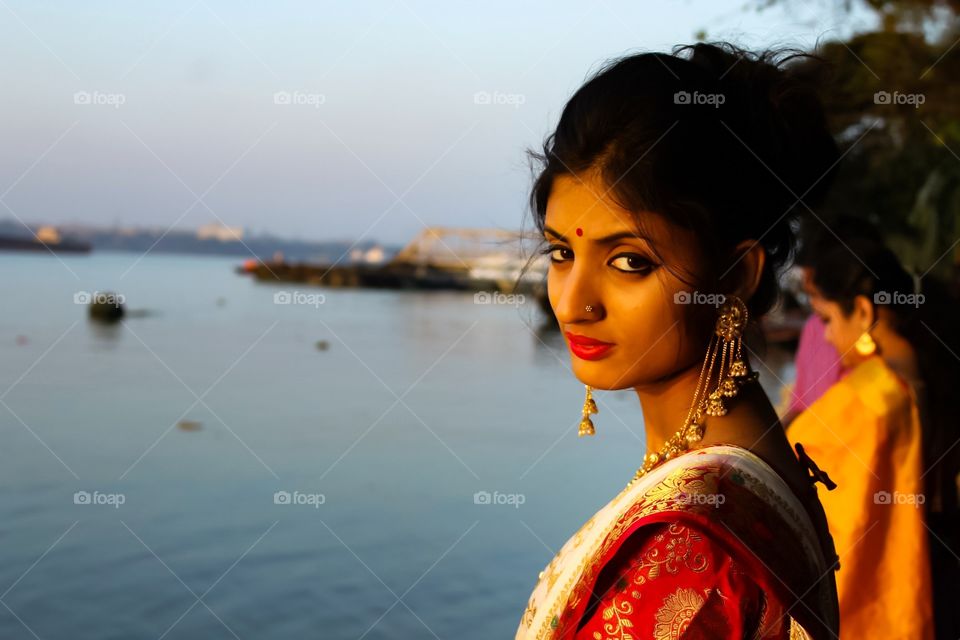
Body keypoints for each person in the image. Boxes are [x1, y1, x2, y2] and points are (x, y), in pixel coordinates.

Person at [515, 42, 843, 639]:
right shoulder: (746, 480)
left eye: (629, 262)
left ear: (737, 275)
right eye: (562, 252)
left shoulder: (692, 546)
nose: (572, 303)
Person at [787, 239, 960, 640]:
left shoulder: (869, 398)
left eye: (827, 319)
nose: (826, 338)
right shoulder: (929, 373)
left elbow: (829, 528)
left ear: (863, 311)